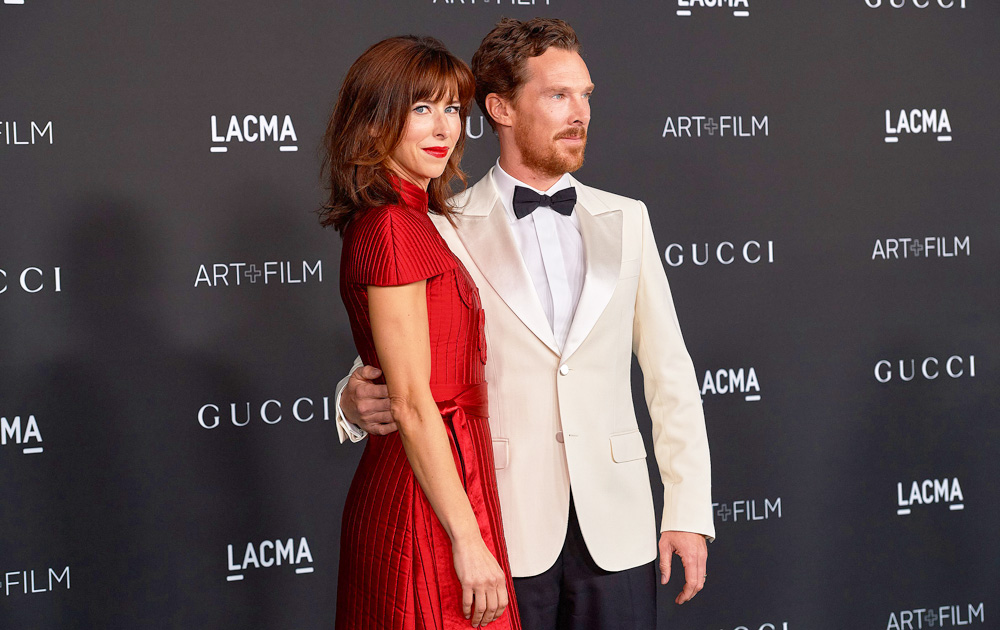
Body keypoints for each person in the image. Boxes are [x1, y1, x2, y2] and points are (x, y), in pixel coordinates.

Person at [337, 19, 714, 630]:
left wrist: (689, 509)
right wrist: (351, 400)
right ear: (501, 108)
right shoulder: (442, 225)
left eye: (586, 96)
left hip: (617, 528)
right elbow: (411, 352)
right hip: (501, 527)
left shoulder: (627, 219)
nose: (580, 113)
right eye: (558, 95)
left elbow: (670, 373)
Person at [322, 35, 520, 630]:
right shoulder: (390, 226)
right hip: (423, 497)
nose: (444, 129)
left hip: (449, 477)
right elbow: (410, 400)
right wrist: (466, 537)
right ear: (378, 118)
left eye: (453, 109)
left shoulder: (419, 218)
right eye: (421, 109)